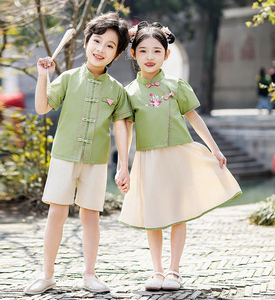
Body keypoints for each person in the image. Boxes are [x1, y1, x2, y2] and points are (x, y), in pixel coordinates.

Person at [116, 21, 242, 291]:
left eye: (157, 51)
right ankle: (157, 271)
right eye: (144, 51)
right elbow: (125, 131)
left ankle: (174, 271)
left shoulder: (176, 85)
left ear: (166, 55)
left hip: (179, 157)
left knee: (177, 214)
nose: (150, 57)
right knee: (153, 216)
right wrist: (122, 167)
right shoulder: (129, 93)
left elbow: (194, 118)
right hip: (148, 161)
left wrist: (214, 149)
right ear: (134, 54)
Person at [24, 12, 132, 295]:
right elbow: (42, 107)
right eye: (97, 41)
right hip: (63, 156)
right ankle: (46, 274)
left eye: (110, 45)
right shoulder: (69, 78)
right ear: (86, 43)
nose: (101, 49)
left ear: (117, 53)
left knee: (91, 217)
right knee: (56, 213)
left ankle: (90, 274)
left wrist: (123, 165)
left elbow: (121, 128)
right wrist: (43, 76)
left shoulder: (117, 91)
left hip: (96, 161)